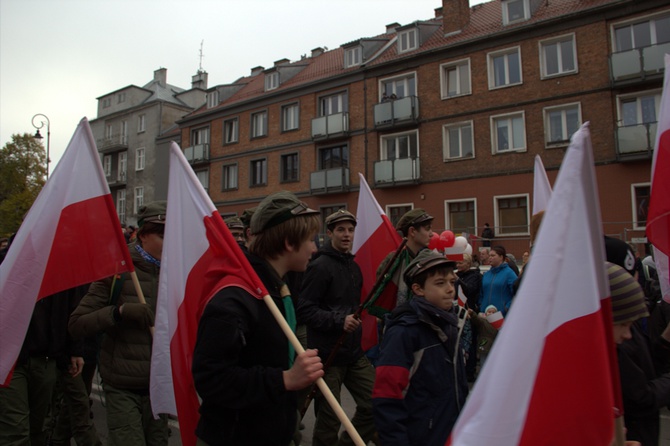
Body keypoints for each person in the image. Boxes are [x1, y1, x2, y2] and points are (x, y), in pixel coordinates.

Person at [192, 191, 324, 446]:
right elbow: (210, 379)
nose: (314, 247)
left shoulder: (276, 289)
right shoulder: (234, 299)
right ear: (288, 242)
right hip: (233, 436)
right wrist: (284, 379)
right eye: (309, 239)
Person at [69, 201, 169, 446]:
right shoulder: (118, 270)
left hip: (160, 388)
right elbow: (77, 323)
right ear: (143, 235)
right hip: (122, 386)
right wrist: (119, 312)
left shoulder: (177, 273)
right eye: (162, 235)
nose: (170, 242)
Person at [372, 250, 468, 445]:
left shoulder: (451, 324)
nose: (450, 289)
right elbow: (386, 396)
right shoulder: (404, 332)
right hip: (420, 437)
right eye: (440, 283)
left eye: (451, 281)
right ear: (418, 289)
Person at [298, 209, 377, 446]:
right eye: (341, 230)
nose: (346, 235)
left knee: (377, 402)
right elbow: (305, 310)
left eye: (350, 230)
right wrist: (339, 320)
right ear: (329, 233)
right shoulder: (319, 266)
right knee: (329, 419)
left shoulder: (354, 267)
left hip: (353, 354)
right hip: (326, 356)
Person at [0, 286, 88, 446]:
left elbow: (74, 305)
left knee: (40, 429)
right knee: (15, 431)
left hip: (46, 357)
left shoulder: (59, 264)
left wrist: (75, 348)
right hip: (10, 360)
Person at [607, 261, 670, 446]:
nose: (628, 334)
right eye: (624, 324)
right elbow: (640, 397)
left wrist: (665, 340)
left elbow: (647, 367)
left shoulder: (621, 334)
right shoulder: (609, 353)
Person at [376, 208, 434, 309]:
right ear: (412, 231)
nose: (431, 234)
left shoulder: (429, 260)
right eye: (427, 229)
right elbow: (383, 292)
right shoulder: (394, 260)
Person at [455, 253, 482, 381]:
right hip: (457, 312)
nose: (458, 265)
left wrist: (457, 280)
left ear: (468, 263)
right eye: (457, 263)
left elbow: (469, 290)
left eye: (460, 263)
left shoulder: (475, 276)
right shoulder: (456, 275)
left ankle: (469, 372)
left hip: (470, 313)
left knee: (470, 343)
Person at [478, 245, 517, 316]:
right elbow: (481, 293)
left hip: (502, 315)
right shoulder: (486, 274)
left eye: (493, 255)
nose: (490, 258)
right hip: (485, 315)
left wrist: (506, 309)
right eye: (489, 256)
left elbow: (516, 294)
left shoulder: (509, 274)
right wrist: (481, 306)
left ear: (501, 257)